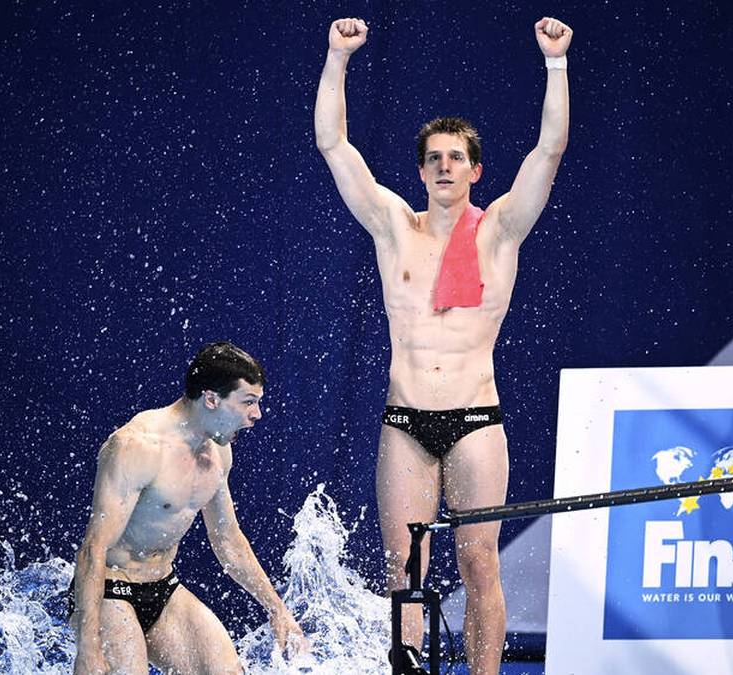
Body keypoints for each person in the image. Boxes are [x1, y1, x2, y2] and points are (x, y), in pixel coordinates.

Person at [314, 16, 572, 674]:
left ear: (476, 169)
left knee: (478, 561)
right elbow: (333, 143)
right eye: (434, 158)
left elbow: (549, 152)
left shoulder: (502, 231)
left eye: (456, 156)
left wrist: (556, 65)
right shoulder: (392, 225)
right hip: (405, 420)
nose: (444, 166)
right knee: (404, 565)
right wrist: (337, 58)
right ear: (422, 171)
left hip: (476, 420)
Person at [70, 341, 304, 675]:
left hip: (163, 589)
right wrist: (87, 646)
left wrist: (277, 609)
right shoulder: (137, 446)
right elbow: (93, 549)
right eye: (248, 402)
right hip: (110, 591)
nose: (257, 414)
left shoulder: (218, 453)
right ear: (211, 399)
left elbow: (228, 542)